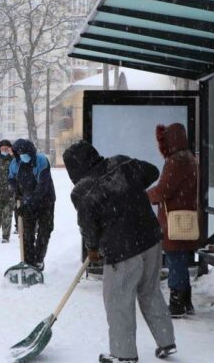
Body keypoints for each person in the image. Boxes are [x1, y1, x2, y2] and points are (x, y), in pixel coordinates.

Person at [64, 140, 176, 362]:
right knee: (150, 291)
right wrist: (129, 186)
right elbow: (151, 172)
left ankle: (123, 356)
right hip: (151, 239)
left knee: (118, 301)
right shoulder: (121, 163)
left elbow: (88, 227)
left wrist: (92, 249)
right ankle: (166, 341)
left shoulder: (83, 190)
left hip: (122, 250)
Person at [147, 123, 199, 318]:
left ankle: (176, 304)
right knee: (181, 259)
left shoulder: (175, 161)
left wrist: (144, 196)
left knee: (175, 259)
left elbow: (164, 189)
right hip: (187, 217)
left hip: (174, 219)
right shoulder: (190, 158)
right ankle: (186, 302)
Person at [8, 138, 55, 271]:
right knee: (26, 231)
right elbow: (11, 178)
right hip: (26, 199)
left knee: (45, 230)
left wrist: (29, 203)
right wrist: (16, 189)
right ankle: (28, 261)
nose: (23, 156)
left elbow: (42, 186)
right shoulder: (15, 163)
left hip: (46, 200)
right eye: (19, 153)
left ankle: (38, 259)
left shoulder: (41, 161)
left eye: (25, 153)